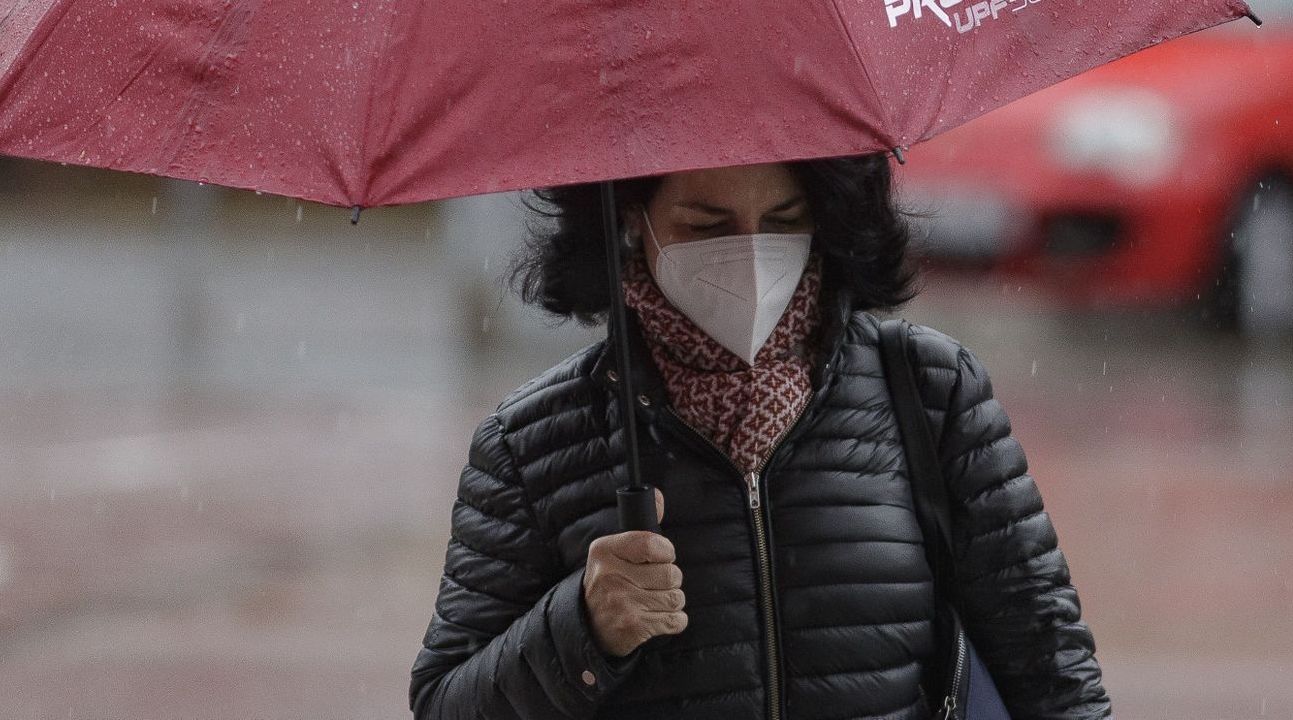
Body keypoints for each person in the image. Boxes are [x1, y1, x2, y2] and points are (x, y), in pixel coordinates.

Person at [409, 154, 1111, 720]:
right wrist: (582, 631)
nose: (748, 257)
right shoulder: (528, 446)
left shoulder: (930, 393)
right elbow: (446, 702)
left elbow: (1049, 670)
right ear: (633, 221)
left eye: (782, 220)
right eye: (707, 225)